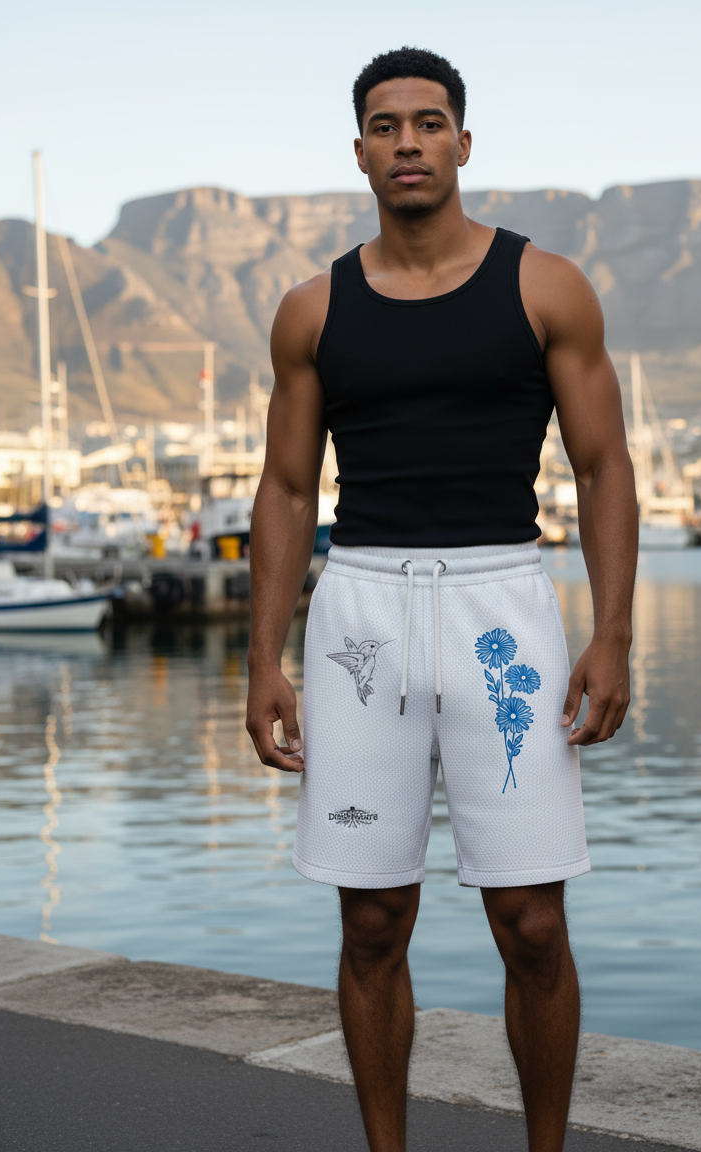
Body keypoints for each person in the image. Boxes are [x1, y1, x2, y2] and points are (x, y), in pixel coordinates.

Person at [246, 46, 637, 1152]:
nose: (407, 142)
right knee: (372, 920)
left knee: (532, 923)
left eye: (428, 123)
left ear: (463, 142)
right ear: (359, 151)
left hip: (500, 606)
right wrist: (262, 658)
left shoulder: (545, 287)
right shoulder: (312, 309)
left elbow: (602, 467)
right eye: (386, 126)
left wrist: (611, 634)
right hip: (361, 614)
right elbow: (286, 489)